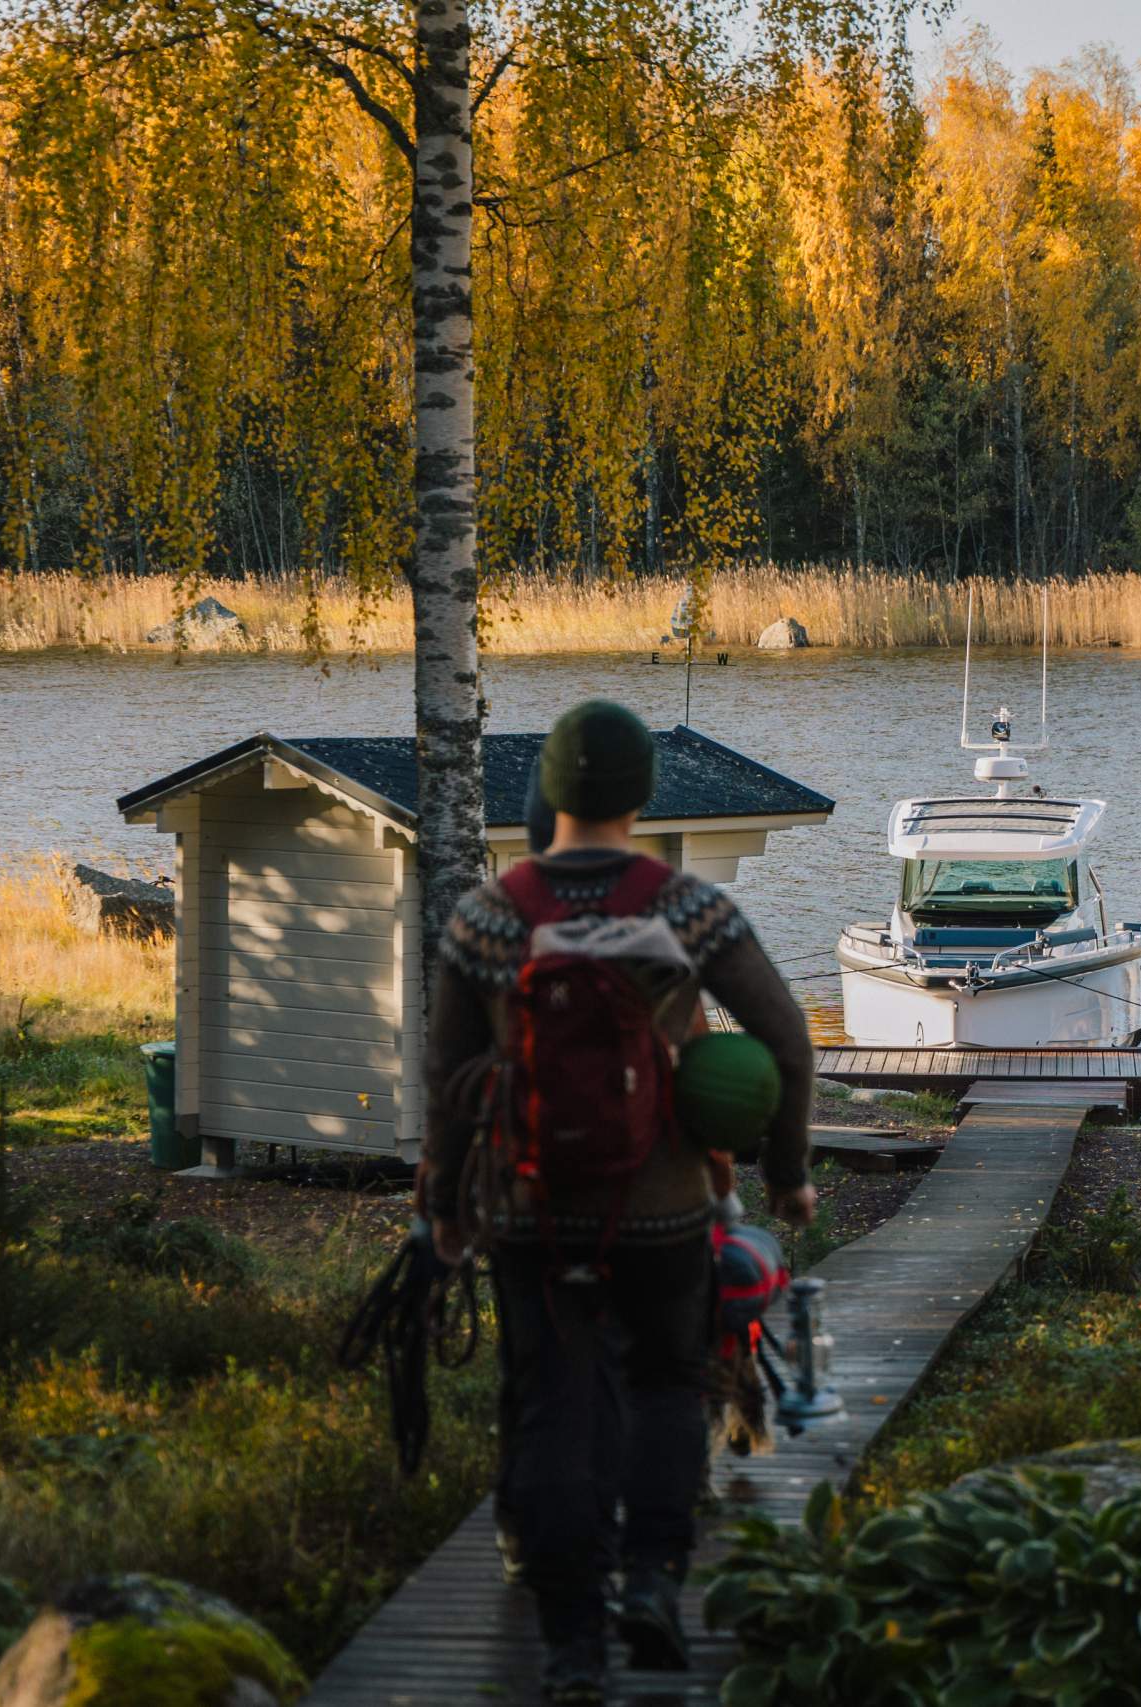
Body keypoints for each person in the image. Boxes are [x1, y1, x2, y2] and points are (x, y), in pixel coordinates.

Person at [421, 699, 817, 1701]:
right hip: (665, 1209)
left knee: (551, 1402)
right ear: (640, 795)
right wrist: (786, 1169)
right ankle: (650, 1581)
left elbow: (448, 1072)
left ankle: (570, 1649)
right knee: (661, 1387)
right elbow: (787, 1038)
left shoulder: (488, 912)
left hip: (526, 1207)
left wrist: (446, 1203)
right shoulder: (685, 906)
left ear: (551, 792)